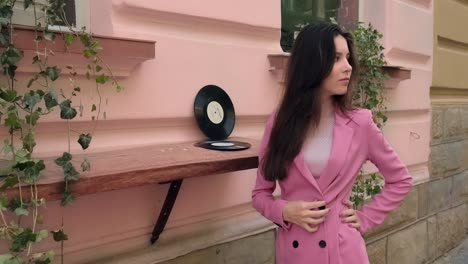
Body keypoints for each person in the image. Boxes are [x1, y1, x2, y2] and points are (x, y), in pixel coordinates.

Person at [252, 22, 412, 264]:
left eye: (348, 58)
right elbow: (260, 194)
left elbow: (400, 179)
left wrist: (366, 217)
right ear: (312, 63)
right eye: (336, 58)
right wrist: (284, 211)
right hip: (295, 252)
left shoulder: (360, 123)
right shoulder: (280, 122)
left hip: (343, 251)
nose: (348, 67)